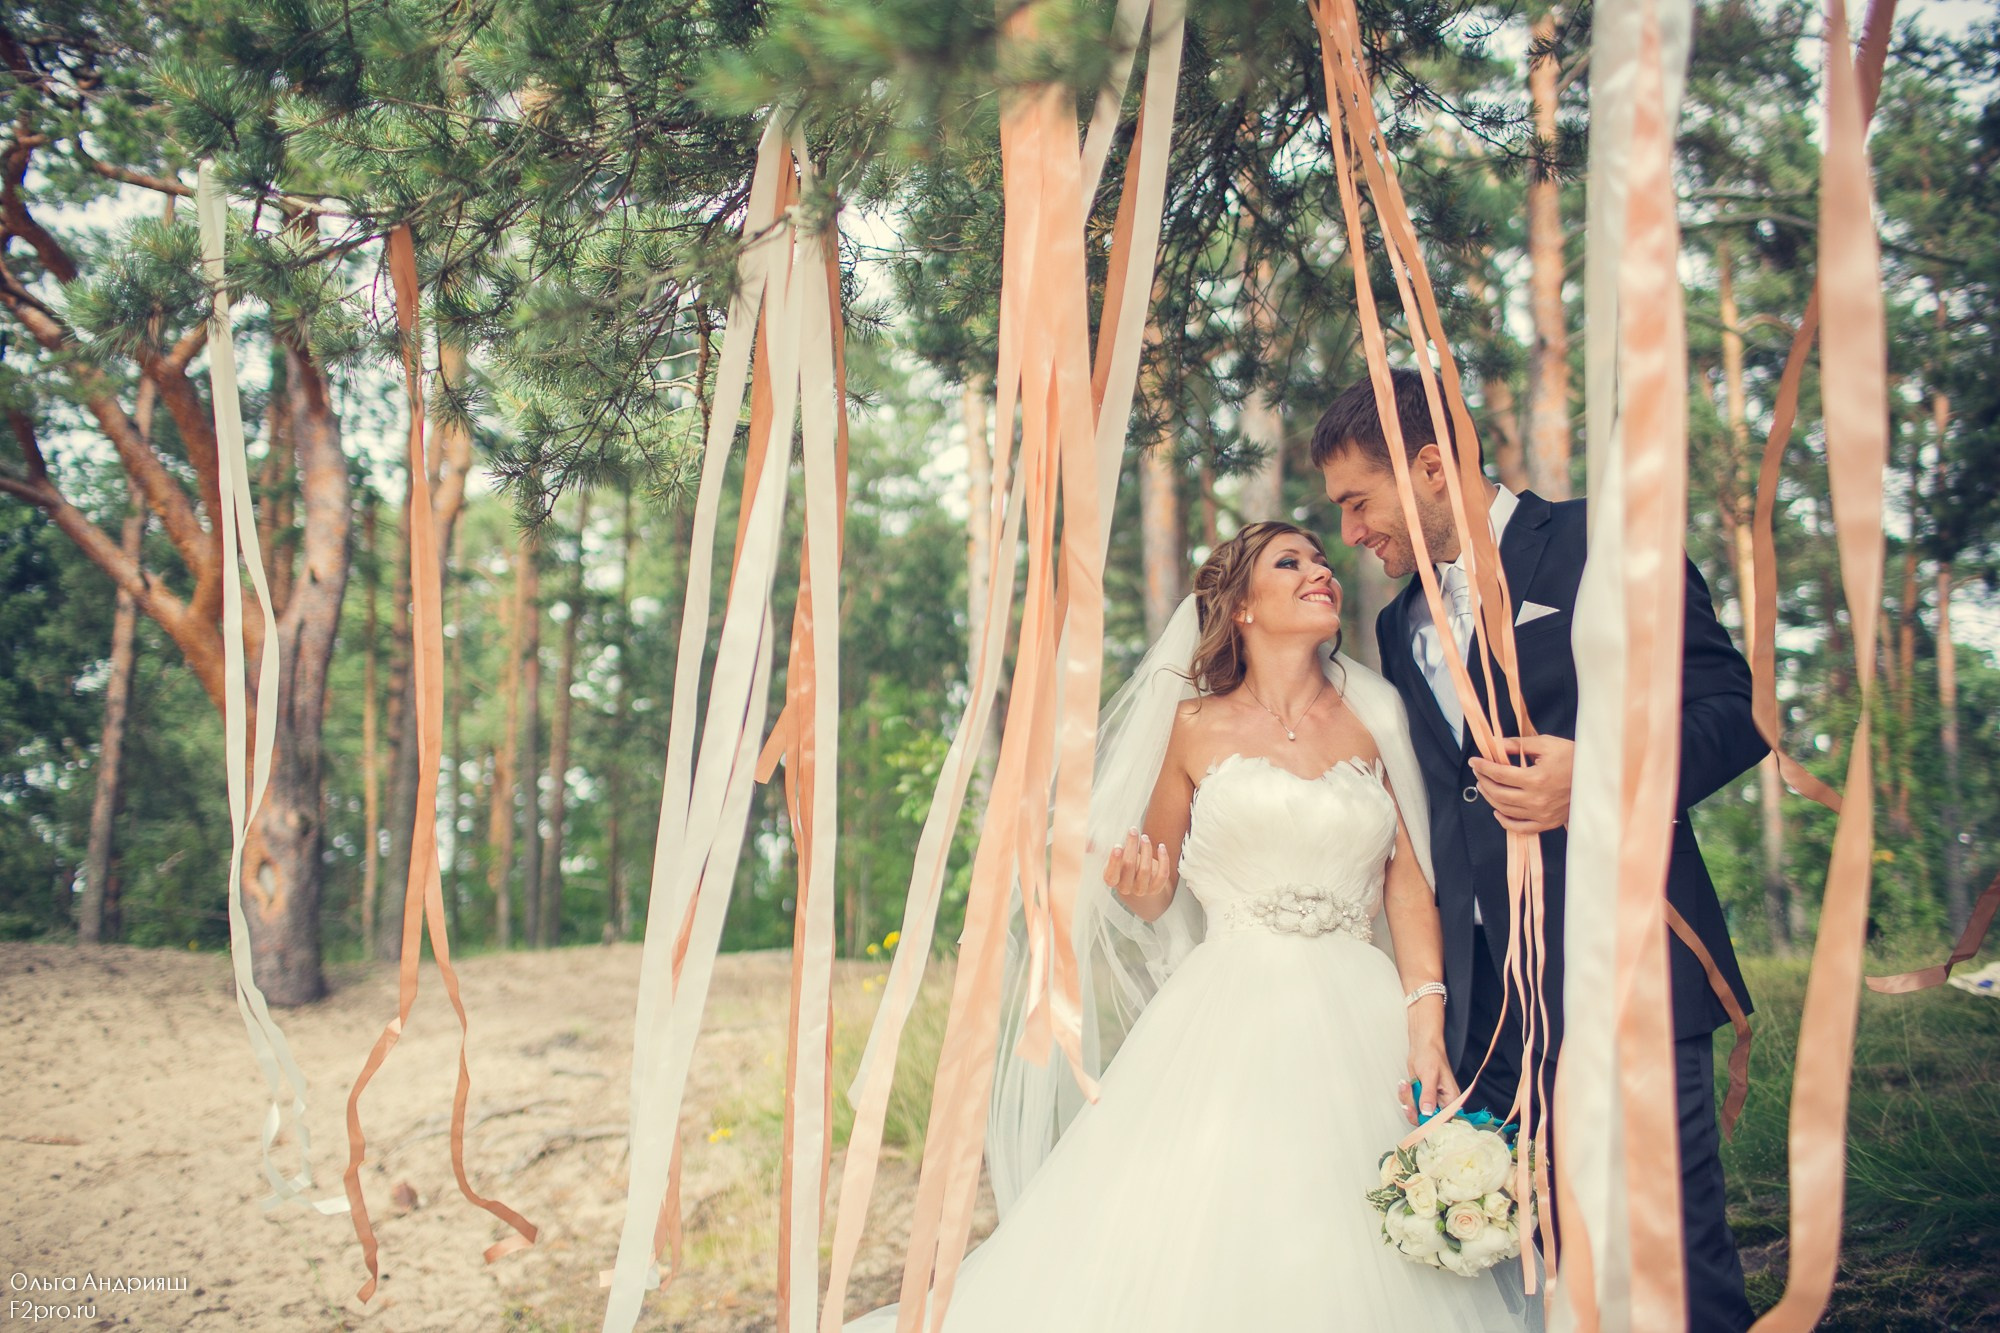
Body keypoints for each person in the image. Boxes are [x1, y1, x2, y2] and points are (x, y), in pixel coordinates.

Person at [849, 522, 1526, 1332]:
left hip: (1366, 1014)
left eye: (1320, 559)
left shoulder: (1374, 714)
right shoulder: (1192, 726)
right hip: (1229, 1010)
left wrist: (1426, 1020)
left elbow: (1408, 886)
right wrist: (1142, 884)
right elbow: (1153, 886)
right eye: (1291, 562)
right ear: (1240, 605)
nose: (1321, 570)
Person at [1313, 368, 1763, 1332]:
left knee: (1674, 1255)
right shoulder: (1399, 628)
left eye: (1358, 501)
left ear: (1431, 466)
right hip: (1491, 1016)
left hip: (1625, 963)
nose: (1350, 532)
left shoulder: (1607, 540)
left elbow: (1738, 712)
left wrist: (1595, 776)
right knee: (1552, 1269)